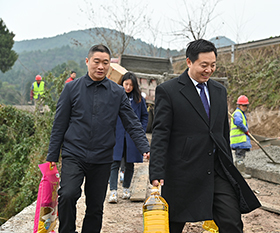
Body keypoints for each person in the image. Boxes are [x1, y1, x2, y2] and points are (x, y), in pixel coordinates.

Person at [149, 39, 260, 233]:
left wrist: (228, 164)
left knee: (232, 221)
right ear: (189, 62)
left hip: (215, 170)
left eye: (213, 65)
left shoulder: (219, 91)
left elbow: (222, 133)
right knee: (173, 225)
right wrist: (157, 171)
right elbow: (161, 134)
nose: (209, 70)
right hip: (182, 171)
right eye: (204, 65)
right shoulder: (169, 91)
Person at [46, 44, 150, 233]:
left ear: (110, 66)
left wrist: (145, 146)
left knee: (95, 206)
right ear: (87, 62)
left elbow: (132, 123)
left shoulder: (117, 92)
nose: (101, 66)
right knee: (68, 194)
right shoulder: (71, 88)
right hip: (74, 153)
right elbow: (59, 124)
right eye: (96, 62)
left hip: (102, 157)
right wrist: (52, 156)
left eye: (105, 63)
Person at [108, 72, 148, 203]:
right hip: (117, 134)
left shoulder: (139, 99)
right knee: (114, 163)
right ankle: (113, 191)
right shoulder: (116, 96)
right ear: (122, 84)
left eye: (131, 85)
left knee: (130, 163)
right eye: (126, 84)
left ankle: (126, 188)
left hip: (132, 137)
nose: (128, 87)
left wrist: (140, 130)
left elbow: (144, 116)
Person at [230, 95, 252, 179]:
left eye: (246, 105)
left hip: (238, 140)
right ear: (239, 105)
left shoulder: (240, 113)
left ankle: (236, 173)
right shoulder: (238, 113)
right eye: (243, 105)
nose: (245, 107)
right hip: (239, 140)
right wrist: (245, 129)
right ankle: (241, 174)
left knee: (238, 156)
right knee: (240, 157)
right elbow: (238, 123)